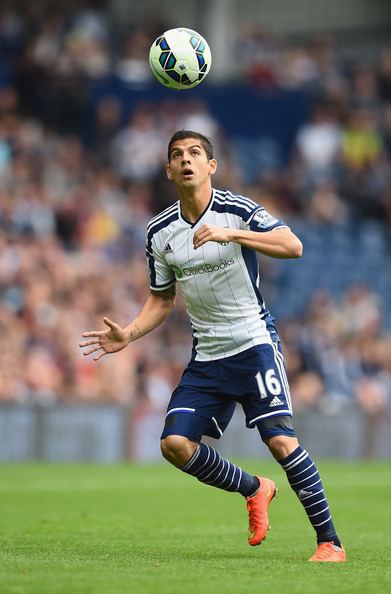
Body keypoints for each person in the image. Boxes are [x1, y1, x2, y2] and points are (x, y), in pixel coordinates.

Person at [79, 130, 346, 562]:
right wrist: (128, 333)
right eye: (177, 155)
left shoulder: (236, 211)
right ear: (168, 170)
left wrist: (232, 236)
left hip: (255, 343)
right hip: (208, 356)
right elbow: (162, 299)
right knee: (174, 445)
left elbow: (292, 245)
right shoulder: (159, 232)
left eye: (195, 153)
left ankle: (330, 542)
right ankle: (254, 488)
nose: (186, 160)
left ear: (211, 166)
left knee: (280, 442)